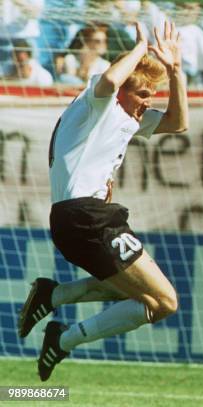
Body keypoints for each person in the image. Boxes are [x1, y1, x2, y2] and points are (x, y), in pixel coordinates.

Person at [17, 21, 188, 382]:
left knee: (144, 293)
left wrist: (175, 71)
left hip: (82, 219)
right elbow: (110, 82)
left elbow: (177, 123)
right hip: (86, 217)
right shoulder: (97, 104)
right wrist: (141, 47)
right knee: (164, 302)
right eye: (142, 93)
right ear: (124, 91)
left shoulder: (125, 118)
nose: (148, 102)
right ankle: (62, 338)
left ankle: (53, 298)